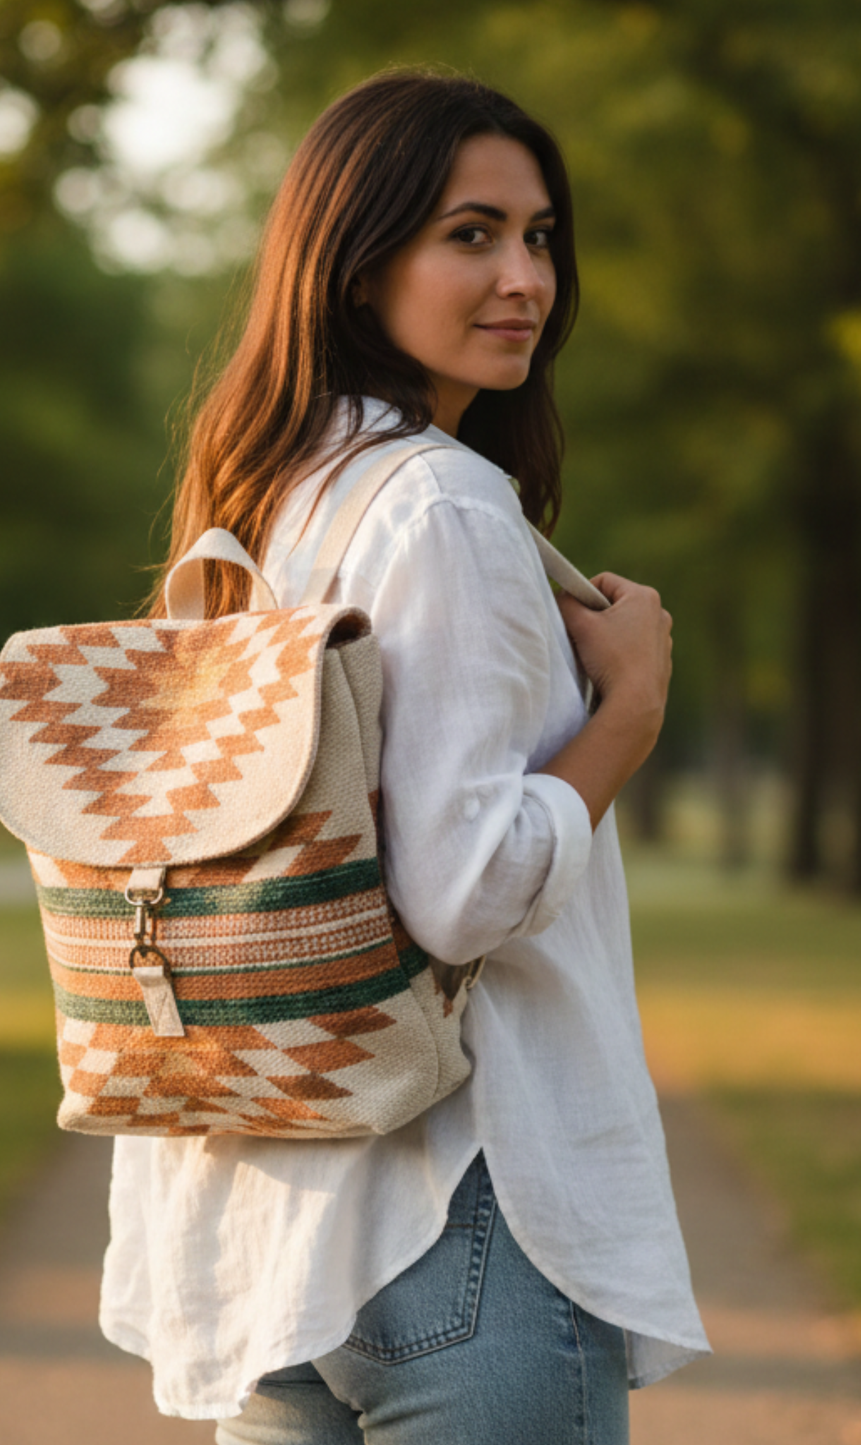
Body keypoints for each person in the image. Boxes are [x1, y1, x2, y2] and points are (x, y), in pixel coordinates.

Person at [100, 69, 709, 1444]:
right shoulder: (441, 500)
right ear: (359, 265)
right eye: (471, 234)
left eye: (541, 236)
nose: (524, 280)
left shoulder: (265, 494)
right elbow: (462, 892)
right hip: (460, 1202)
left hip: (275, 1219)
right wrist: (629, 717)